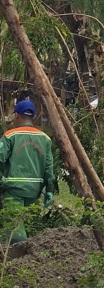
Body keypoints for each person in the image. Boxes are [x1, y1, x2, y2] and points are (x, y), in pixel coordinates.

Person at [0, 99, 57, 244]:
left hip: (14, 189)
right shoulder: (45, 139)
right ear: (33, 117)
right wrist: (49, 190)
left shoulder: (10, 136)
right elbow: (49, 168)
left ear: (17, 116)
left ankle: (19, 257)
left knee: (14, 228)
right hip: (34, 191)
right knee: (27, 222)